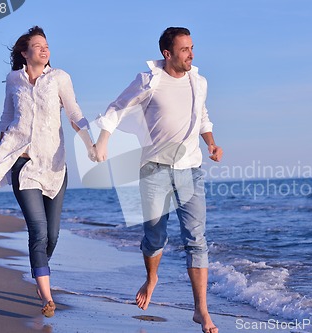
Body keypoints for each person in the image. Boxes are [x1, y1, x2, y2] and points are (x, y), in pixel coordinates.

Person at [94, 27, 222, 333]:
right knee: (155, 237)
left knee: (196, 239)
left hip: (190, 168)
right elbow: (116, 108)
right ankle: (152, 278)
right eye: (184, 49)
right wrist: (103, 141)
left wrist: (211, 143)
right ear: (167, 54)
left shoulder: (198, 81)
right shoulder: (149, 81)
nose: (191, 54)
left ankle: (201, 310)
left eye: (192, 47)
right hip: (154, 169)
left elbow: (202, 115)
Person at [0, 26, 96, 318]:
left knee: (53, 234)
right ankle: (47, 295)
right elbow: (7, 118)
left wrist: (90, 144)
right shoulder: (14, 80)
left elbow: (74, 113)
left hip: (54, 166)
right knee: (38, 231)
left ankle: (39, 269)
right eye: (37, 46)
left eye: (46, 45)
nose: (44, 50)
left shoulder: (59, 78)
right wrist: (2, 158)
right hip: (23, 164)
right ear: (25, 52)